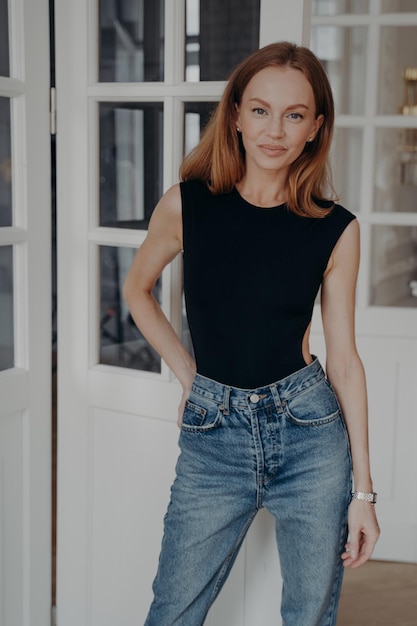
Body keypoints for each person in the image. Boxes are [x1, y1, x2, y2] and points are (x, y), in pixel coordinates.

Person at [123, 41, 380, 626]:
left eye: (295, 115)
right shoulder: (189, 205)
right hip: (214, 438)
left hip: (310, 432)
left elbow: (344, 361)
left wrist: (364, 494)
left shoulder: (336, 228)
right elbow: (136, 290)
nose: (276, 131)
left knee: (309, 615)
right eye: (261, 110)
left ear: (316, 127)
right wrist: (189, 375)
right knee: (173, 612)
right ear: (235, 115)